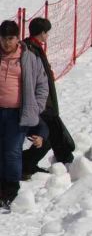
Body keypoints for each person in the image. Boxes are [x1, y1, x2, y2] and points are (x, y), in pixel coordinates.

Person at [0, 20, 48, 207]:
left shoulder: (28, 58)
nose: (6, 43)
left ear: (17, 38)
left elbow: (42, 85)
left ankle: (11, 189)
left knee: (12, 151)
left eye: (10, 38)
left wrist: (36, 107)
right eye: (3, 38)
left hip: (17, 113)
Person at [22, 17, 74, 179]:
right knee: (47, 135)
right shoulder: (30, 49)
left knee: (52, 134)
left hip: (45, 101)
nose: (48, 36)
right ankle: (25, 164)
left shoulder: (35, 48)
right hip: (39, 102)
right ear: (42, 33)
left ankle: (28, 163)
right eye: (47, 33)